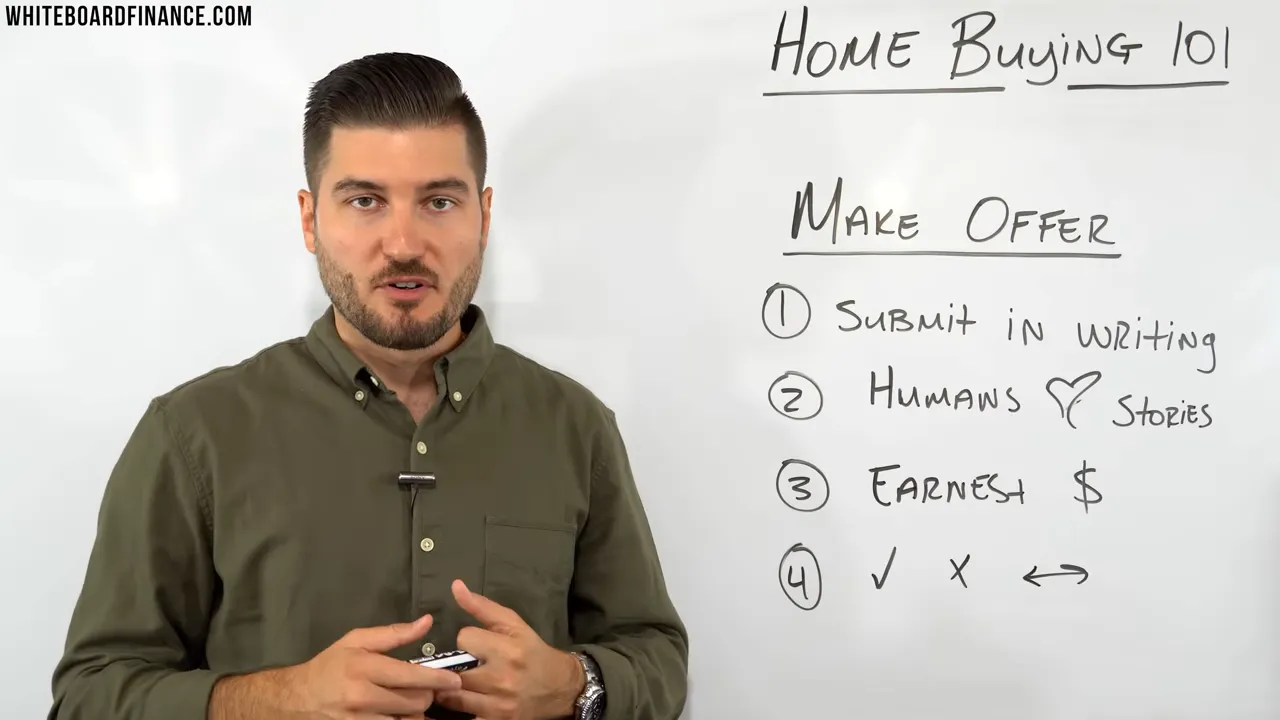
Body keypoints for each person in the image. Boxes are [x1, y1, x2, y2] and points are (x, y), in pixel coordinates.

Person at [47, 51, 689, 720]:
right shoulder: (192, 433)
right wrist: (278, 700)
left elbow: (656, 656)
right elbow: (88, 695)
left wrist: (573, 683)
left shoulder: (574, 425)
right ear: (308, 218)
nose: (404, 242)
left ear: (485, 215)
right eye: (365, 201)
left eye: (439, 201)